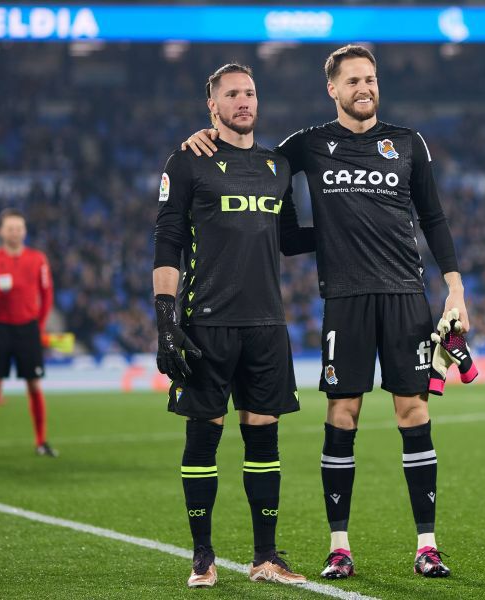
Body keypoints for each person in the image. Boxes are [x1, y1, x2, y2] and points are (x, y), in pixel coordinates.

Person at [182, 45, 469, 578]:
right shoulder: (308, 146)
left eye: (371, 79)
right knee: (342, 415)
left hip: (407, 295)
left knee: (414, 412)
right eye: (353, 81)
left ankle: (426, 544)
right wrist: (205, 140)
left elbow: (434, 219)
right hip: (344, 298)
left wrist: (455, 290)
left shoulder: (407, 143)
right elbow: (255, 163)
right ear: (332, 89)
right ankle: (340, 547)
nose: (365, 88)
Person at [154, 63, 314, 588]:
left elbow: (291, 239)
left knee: (263, 440)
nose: (243, 101)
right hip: (207, 325)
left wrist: (353, 221)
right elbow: (168, 240)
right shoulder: (188, 161)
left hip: (266, 325)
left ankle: (265, 557)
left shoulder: (277, 166)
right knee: (203, 439)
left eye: (249, 93)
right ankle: (203, 557)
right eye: (232, 94)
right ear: (213, 105)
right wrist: (165, 317)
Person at [0, 208, 56, 458]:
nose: (15, 232)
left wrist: (37, 324)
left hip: (28, 328)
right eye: (10, 228)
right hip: (0, 328)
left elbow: (47, 295)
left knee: (34, 384)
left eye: (19, 228)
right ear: (1, 231)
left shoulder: (37, 259)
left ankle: (41, 442)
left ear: (24, 231)